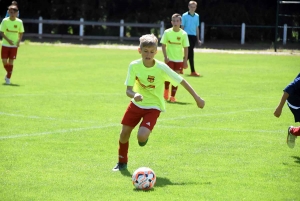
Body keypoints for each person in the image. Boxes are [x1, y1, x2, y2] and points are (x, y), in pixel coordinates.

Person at [112, 34, 205, 171]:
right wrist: (135, 94)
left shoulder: (161, 68)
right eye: (145, 51)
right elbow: (128, 91)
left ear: (156, 52)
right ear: (140, 51)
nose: (148, 54)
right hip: (136, 104)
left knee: (141, 137)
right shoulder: (134, 66)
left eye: (151, 52)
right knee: (124, 133)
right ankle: (121, 163)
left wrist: (197, 98)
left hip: (153, 106)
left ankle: (144, 137)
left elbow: (181, 80)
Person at [160, 13, 189, 103]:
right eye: (174, 21)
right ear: (171, 22)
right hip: (169, 59)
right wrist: (165, 57)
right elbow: (163, 45)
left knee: (176, 78)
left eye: (177, 21)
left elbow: (186, 48)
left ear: (180, 22)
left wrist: (185, 60)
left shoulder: (183, 34)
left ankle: (172, 96)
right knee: (168, 77)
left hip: (179, 60)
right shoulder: (167, 32)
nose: (176, 22)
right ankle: (166, 91)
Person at [274, 73, 300, 149]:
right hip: (295, 102)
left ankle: (293, 131)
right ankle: (292, 131)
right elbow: (287, 90)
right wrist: (279, 108)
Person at [0, 4, 24, 85]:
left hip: (14, 46)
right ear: (8, 12)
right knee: (4, 61)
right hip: (5, 45)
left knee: (11, 62)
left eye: (13, 12)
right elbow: (2, 33)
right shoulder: (5, 21)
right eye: (10, 12)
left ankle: (8, 78)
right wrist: (8, 40)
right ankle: (9, 72)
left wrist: (18, 41)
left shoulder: (19, 22)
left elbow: (21, 32)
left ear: (17, 13)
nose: (12, 14)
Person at [181, 1, 202, 77]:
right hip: (186, 36)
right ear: (188, 7)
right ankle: (192, 71)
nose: (193, 8)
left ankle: (180, 67)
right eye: (191, 7)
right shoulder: (184, 15)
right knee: (191, 53)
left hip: (193, 36)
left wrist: (198, 39)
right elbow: (182, 27)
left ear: (196, 7)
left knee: (189, 53)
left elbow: (197, 28)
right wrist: (181, 37)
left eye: (194, 7)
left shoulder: (197, 16)